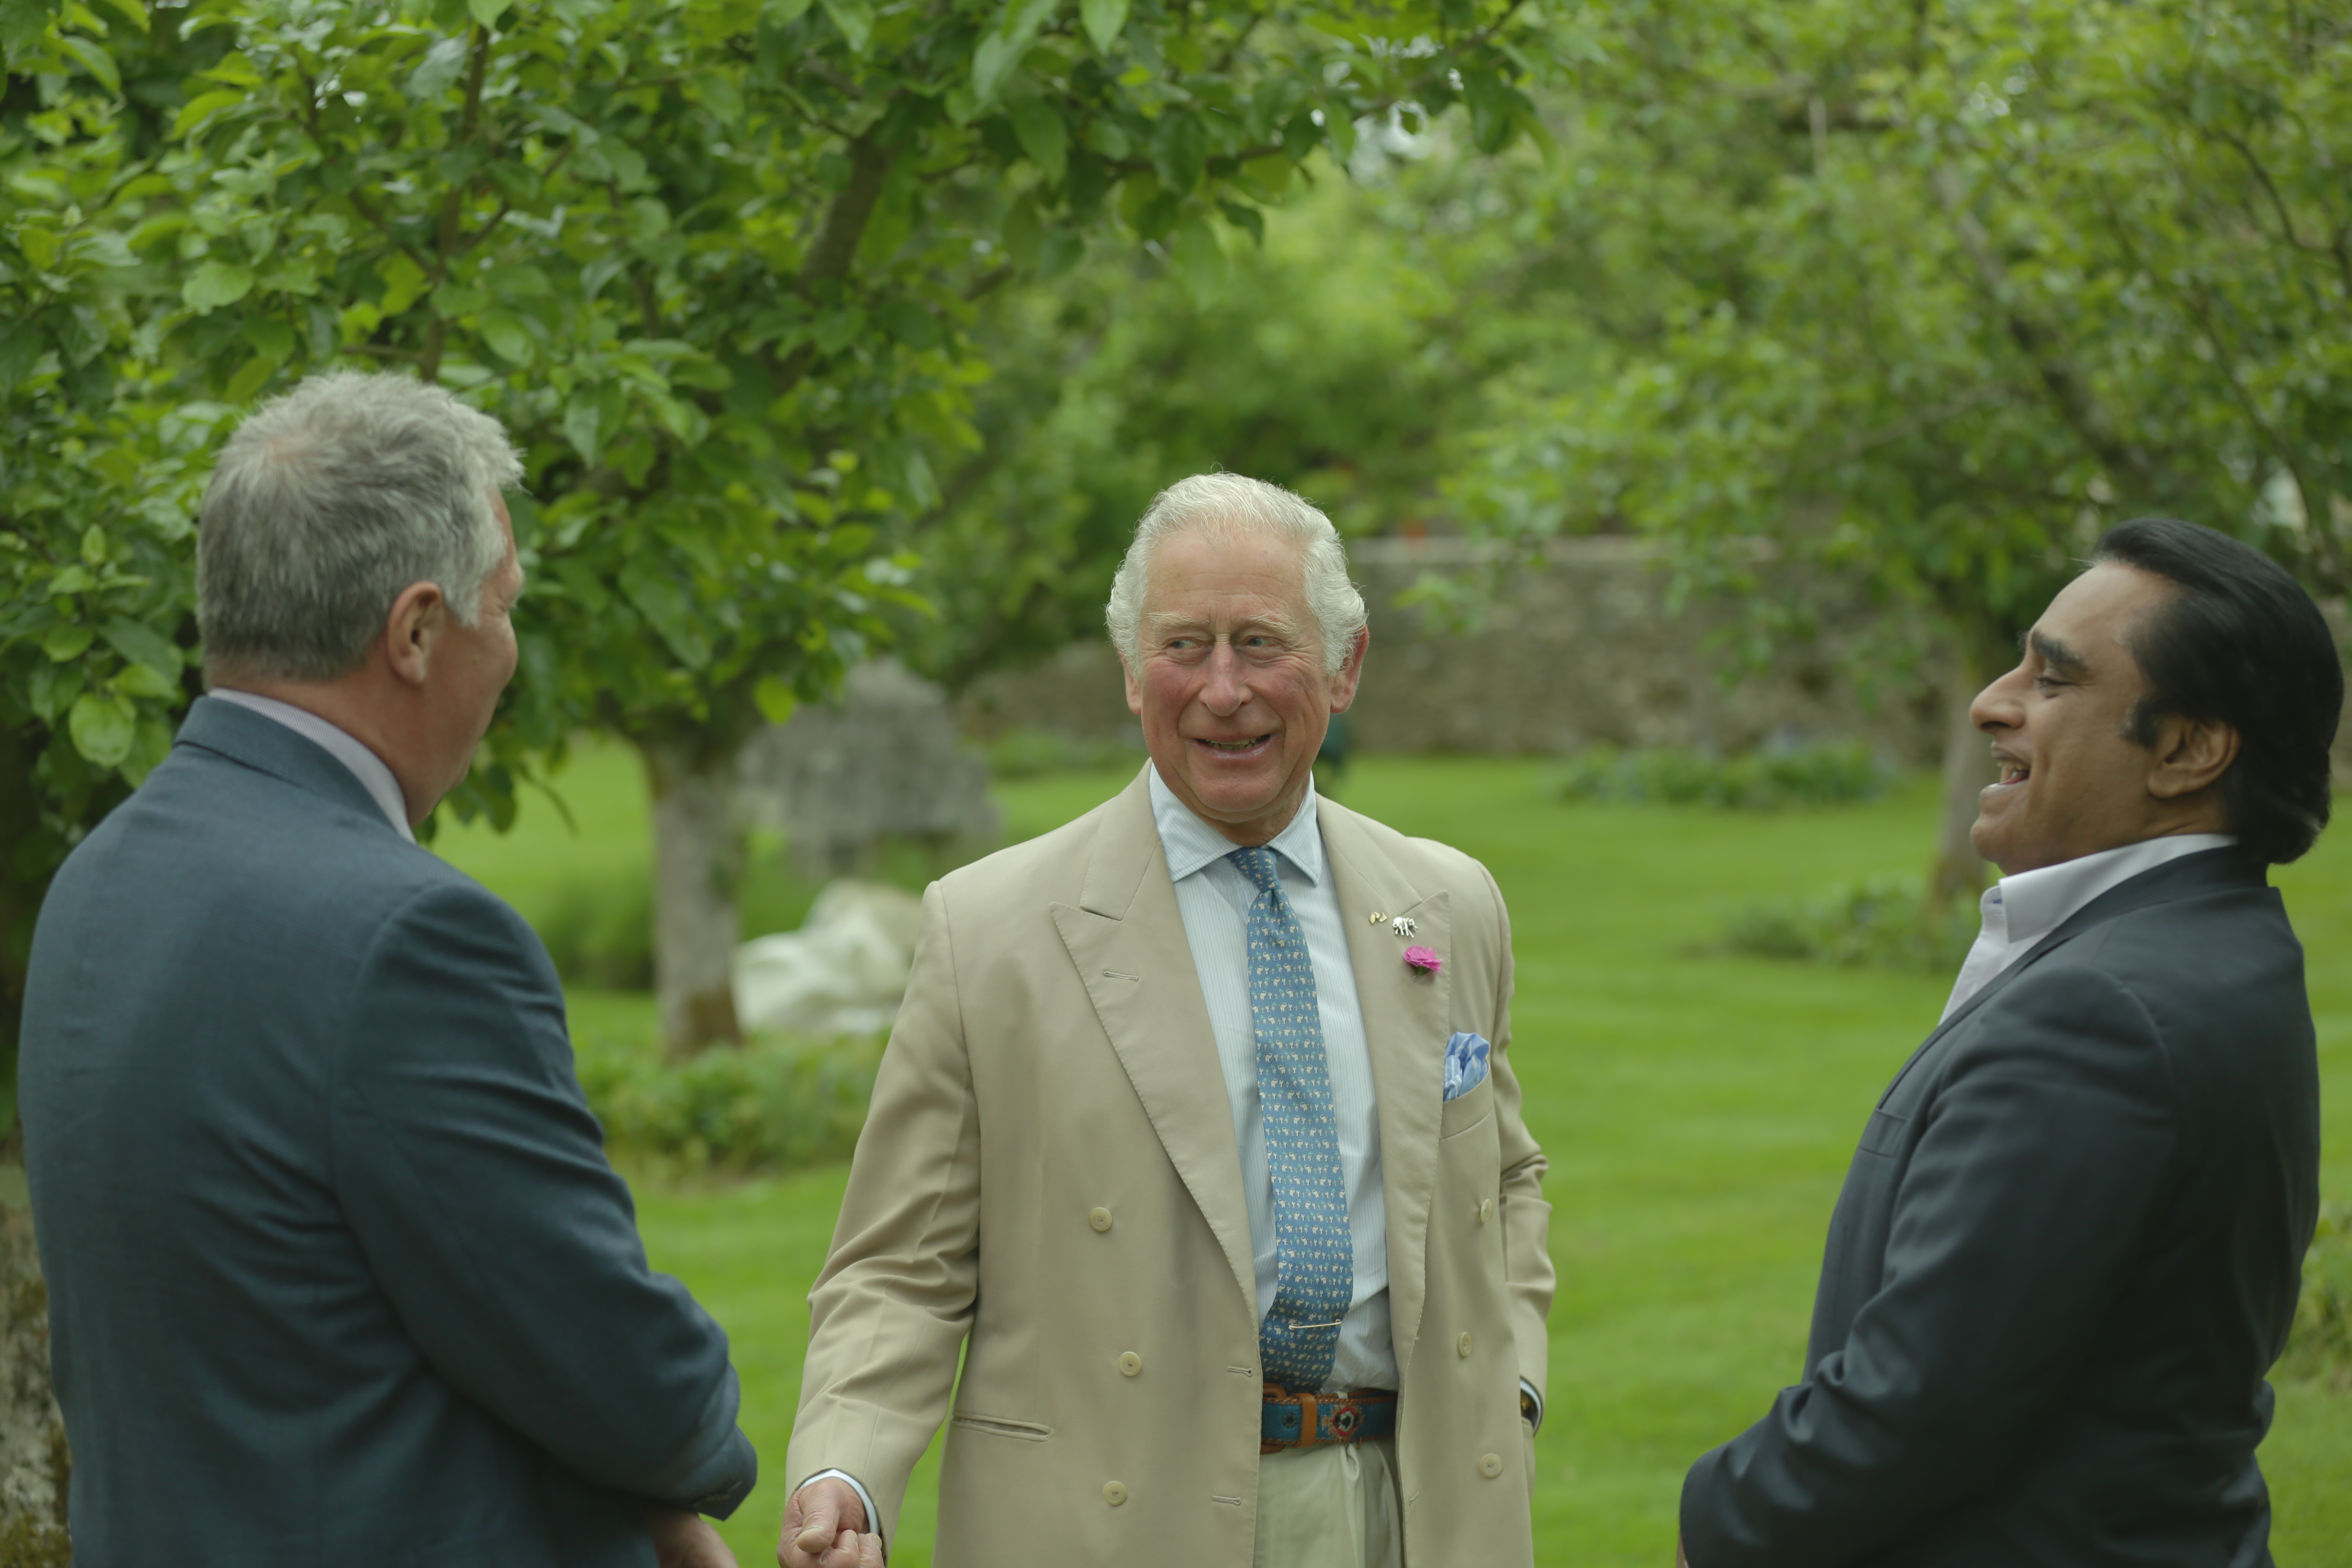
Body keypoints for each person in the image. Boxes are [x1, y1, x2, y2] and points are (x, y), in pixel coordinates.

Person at [18, 372, 802, 1567]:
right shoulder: (408, 940)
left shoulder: (96, 884)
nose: (513, 653)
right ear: (419, 631)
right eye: (507, 606)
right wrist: (696, 1462)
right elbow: (600, 1356)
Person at [777, 474, 1554, 1568]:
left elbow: (1508, 1183)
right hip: (1117, 1522)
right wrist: (843, 1468)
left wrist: (1511, 1386)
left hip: (1417, 1514)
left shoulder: (1450, 906)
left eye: (1260, 643)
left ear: (1346, 666)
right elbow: (899, 1266)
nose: (1222, 689)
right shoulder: (991, 931)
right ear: (1131, 668)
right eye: (1185, 645)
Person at [1679, 518, 2341, 1565]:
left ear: (2187, 750)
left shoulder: (2105, 1013)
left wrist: (1719, 1524)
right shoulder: (2220, 943)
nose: (1992, 700)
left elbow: (1917, 1405)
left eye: (2055, 679)